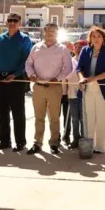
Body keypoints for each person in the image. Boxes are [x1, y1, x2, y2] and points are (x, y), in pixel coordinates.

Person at [25, 23, 73, 155]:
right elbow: (28, 64)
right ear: (44, 32)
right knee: (39, 117)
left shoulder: (63, 49)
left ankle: (54, 143)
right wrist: (31, 75)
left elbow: (68, 67)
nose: (50, 34)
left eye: (53, 32)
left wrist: (58, 78)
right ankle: (37, 143)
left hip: (54, 88)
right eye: (48, 31)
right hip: (39, 88)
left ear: (57, 33)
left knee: (54, 118)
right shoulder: (36, 47)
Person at [0, 13, 33, 151]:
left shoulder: (25, 39)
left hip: (16, 79)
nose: (12, 23)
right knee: (1, 112)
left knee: (18, 112)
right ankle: (4, 141)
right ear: (6, 22)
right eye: (10, 20)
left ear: (19, 23)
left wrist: (15, 75)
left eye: (15, 21)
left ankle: (20, 142)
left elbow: (27, 60)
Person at [77, 27, 105, 155]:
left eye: (99, 36)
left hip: (103, 89)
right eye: (94, 36)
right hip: (87, 89)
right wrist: (82, 79)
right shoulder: (85, 50)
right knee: (89, 119)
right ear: (90, 38)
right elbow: (79, 68)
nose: (96, 39)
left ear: (103, 38)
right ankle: (89, 146)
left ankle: (99, 146)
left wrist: (92, 79)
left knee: (102, 119)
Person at [64, 40, 86, 149]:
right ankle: (75, 138)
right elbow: (67, 76)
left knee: (83, 118)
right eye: (76, 47)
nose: (78, 49)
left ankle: (83, 139)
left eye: (81, 48)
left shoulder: (87, 61)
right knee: (74, 118)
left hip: (84, 94)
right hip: (72, 93)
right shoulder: (70, 61)